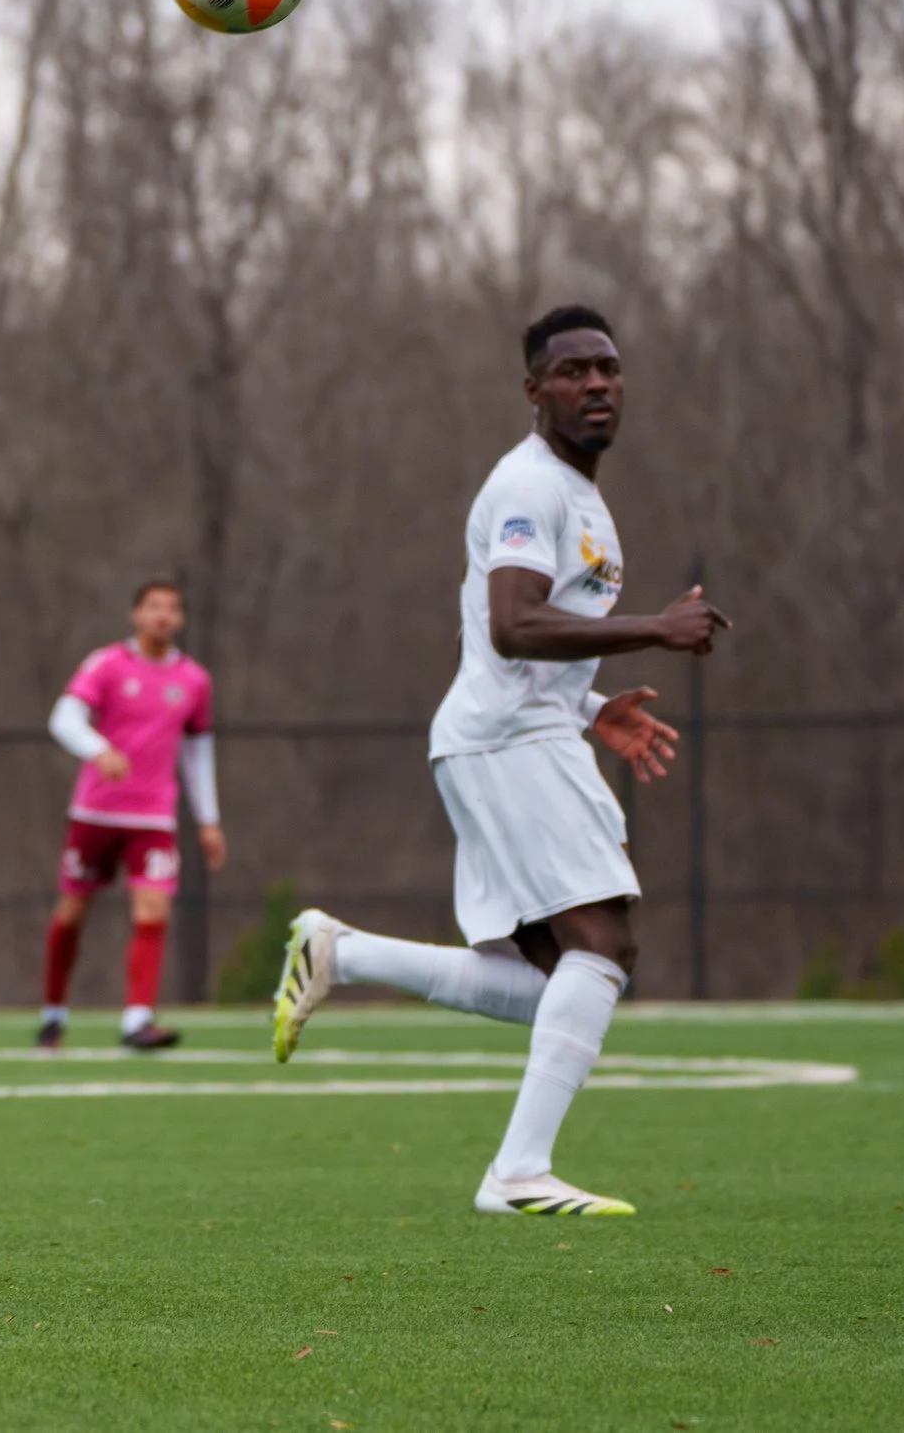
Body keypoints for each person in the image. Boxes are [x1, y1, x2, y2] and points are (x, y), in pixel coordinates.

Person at [271, 305, 727, 1217]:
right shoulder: (529, 486)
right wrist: (656, 633)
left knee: (564, 973)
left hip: (523, 734)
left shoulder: (580, 493)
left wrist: (595, 707)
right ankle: (517, 1173)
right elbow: (515, 621)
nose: (597, 384)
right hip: (505, 742)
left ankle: (340, 951)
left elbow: (502, 638)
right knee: (605, 942)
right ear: (534, 391)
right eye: (572, 372)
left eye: (609, 367)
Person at [37, 580, 226, 1051]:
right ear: (135, 614)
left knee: (152, 910)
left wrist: (208, 819)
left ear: (181, 619)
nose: (163, 616)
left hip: (154, 818)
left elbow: (198, 751)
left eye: (172, 608)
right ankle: (53, 1013)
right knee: (72, 913)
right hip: (95, 814)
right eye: (153, 607)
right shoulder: (106, 665)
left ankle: (137, 1020)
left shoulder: (194, 681)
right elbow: (63, 719)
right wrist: (99, 750)